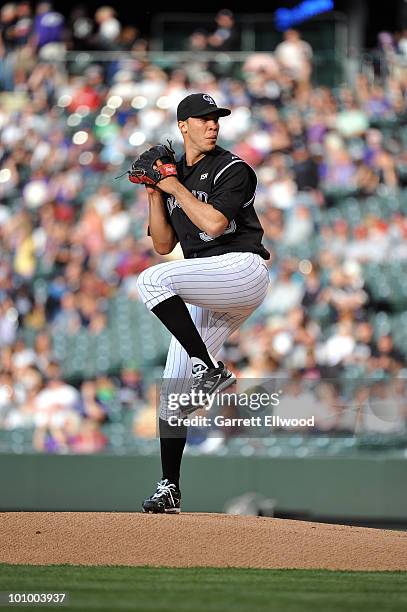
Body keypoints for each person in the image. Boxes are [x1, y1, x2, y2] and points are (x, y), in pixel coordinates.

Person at [135, 92, 270, 513]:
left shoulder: (233, 168)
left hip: (241, 270)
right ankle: (169, 488)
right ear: (183, 126)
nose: (212, 124)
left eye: (216, 118)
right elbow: (161, 243)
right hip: (207, 286)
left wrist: (171, 182)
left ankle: (209, 369)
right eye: (203, 118)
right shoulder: (175, 180)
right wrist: (156, 192)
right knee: (173, 394)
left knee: (152, 280)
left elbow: (213, 222)